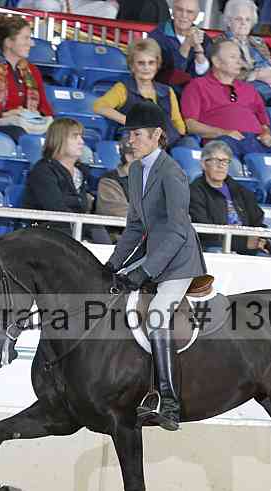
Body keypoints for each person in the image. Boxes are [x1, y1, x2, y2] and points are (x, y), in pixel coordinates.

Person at [103, 101, 207, 432]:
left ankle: (170, 403)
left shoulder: (172, 173)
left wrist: (144, 272)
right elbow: (135, 226)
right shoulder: (135, 171)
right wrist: (114, 264)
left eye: (136, 134)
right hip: (152, 254)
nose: (130, 140)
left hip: (178, 260)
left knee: (159, 313)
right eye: (129, 135)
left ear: (156, 134)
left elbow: (177, 232)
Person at [181, 40, 271, 158]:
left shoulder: (250, 89)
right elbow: (191, 125)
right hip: (223, 142)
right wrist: (224, 133)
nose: (239, 62)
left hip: (257, 141)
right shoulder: (197, 86)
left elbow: (264, 123)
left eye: (240, 57)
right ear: (217, 62)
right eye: (233, 57)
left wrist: (267, 134)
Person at [0, 15, 54, 142]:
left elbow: (44, 106)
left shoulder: (32, 70)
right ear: (9, 42)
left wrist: (37, 115)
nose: (31, 44)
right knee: (21, 136)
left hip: (30, 123)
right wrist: (5, 113)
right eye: (26, 38)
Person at [93, 39, 186, 147]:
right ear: (132, 66)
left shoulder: (168, 91)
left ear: (157, 65)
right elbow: (99, 107)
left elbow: (178, 124)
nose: (146, 68)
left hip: (167, 143)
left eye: (151, 63)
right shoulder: (122, 88)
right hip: (136, 143)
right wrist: (132, 122)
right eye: (141, 63)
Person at [188, 140, 270, 255]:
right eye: (216, 160)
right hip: (214, 250)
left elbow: (257, 221)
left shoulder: (241, 191)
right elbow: (204, 232)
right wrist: (244, 243)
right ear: (203, 164)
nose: (221, 165)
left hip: (247, 249)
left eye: (225, 161)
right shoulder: (194, 192)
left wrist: (262, 239)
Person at [22, 118, 94, 231]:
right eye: (75, 136)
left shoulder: (82, 171)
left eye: (81, 136)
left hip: (75, 228)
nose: (81, 142)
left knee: (99, 229)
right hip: (46, 231)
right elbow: (55, 208)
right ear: (59, 140)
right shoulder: (43, 171)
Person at [214, 0, 271, 101]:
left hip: (269, 86)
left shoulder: (258, 42)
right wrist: (256, 75)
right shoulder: (220, 42)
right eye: (238, 19)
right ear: (229, 22)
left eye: (248, 20)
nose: (243, 23)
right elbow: (223, 72)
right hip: (239, 89)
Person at [148, 0, 212, 89]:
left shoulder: (205, 39)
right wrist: (186, 45)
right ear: (173, 11)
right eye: (180, 10)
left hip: (194, 93)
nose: (184, 15)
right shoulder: (157, 36)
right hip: (164, 92)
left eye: (189, 12)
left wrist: (198, 49)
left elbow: (206, 76)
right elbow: (172, 76)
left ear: (196, 16)